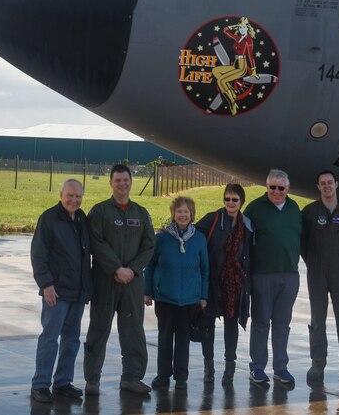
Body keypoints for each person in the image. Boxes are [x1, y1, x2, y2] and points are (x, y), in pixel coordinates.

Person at [83, 163, 156, 395]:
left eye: (126, 180)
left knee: (133, 329)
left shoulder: (141, 213)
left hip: (133, 283)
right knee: (99, 328)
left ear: (130, 182)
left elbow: (149, 246)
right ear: (111, 183)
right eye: (118, 181)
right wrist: (116, 269)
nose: (122, 185)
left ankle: (131, 377)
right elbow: (96, 243)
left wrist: (132, 270)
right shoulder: (99, 212)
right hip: (106, 280)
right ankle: (92, 379)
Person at [29, 178, 93, 402]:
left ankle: (63, 382)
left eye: (78, 196)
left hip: (77, 292)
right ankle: (40, 385)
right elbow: (38, 254)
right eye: (70, 195)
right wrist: (46, 284)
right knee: (50, 338)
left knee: (71, 339)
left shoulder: (82, 219)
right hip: (56, 292)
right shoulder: (49, 218)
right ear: (61, 195)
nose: (74, 200)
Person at [301, 170, 339, 387]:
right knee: (317, 320)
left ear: (336, 184)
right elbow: (303, 242)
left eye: (330, 182)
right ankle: (317, 363)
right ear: (318, 187)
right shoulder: (308, 212)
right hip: (316, 270)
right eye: (322, 183)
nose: (327, 186)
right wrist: (313, 261)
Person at [244, 169, 302, 387]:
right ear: (266, 187)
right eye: (273, 187)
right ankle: (257, 367)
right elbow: (243, 241)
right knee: (260, 322)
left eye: (281, 188)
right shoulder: (255, 209)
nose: (277, 192)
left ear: (288, 189)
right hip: (262, 275)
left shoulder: (294, 208)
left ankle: (281, 368)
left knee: (282, 323)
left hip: (289, 275)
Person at [144, 196, 209, 389]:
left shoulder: (199, 239)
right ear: (173, 214)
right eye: (179, 211)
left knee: (183, 339)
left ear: (191, 215)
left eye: (186, 212)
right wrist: (147, 291)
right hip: (165, 297)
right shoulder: (162, 238)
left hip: (189, 299)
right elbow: (151, 264)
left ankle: (181, 377)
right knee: (164, 338)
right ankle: (162, 375)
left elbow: (205, 269)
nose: (182, 215)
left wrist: (203, 295)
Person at [195, 183, 253, 384]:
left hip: (234, 284)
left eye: (234, 199)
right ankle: (208, 366)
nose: (230, 203)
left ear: (241, 202)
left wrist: (247, 282)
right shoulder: (213, 219)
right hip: (213, 282)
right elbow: (194, 236)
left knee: (231, 324)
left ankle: (230, 367)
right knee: (208, 325)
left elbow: (249, 253)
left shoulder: (246, 225)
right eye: (227, 199)